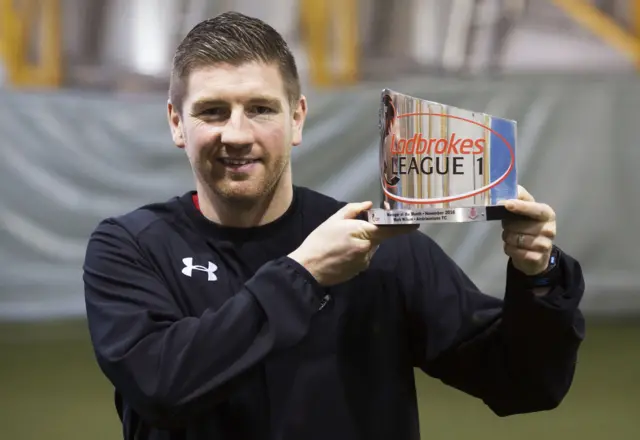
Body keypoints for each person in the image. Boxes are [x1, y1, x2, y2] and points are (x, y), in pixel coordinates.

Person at [82, 11, 586, 440]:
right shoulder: (131, 247)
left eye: (260, 109)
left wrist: (538, 277)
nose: (236, 134)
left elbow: (524, 385)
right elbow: (161, 386)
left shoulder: (382, 247)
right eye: (213, 111)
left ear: (297, 118)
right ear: (176, 123)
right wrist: (303, 274)